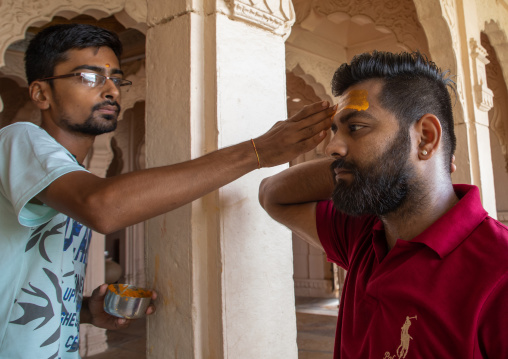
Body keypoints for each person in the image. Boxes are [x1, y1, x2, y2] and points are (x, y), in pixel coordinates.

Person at [0, 23, 334, 358]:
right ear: (41, 93)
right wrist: (256, 152)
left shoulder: (65, 175)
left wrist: (87, 310)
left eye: (115, 78)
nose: (111, 91)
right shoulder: (20, 139)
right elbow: (101, 207)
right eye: (89, 77)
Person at [259, 51, 508, 358]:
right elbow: (272, 194)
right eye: (337, 130)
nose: (331, 147)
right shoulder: (364, 234)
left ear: (425, 138)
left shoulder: (499, 273)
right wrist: (353, 166)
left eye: (356, 127)